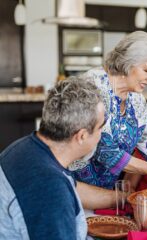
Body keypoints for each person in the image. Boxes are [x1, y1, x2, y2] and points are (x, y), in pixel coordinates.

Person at [69, 31, 147, 190]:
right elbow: (106, 151)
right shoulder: (93, 85)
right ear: (129, 63)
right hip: (74, 187)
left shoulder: (136, 99)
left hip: (107, 191)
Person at [0, 77, 105, 239]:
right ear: (82, 136)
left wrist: (121, 198)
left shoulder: (25, 147)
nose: (101, 134)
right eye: (100, 127)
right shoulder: (49, 190)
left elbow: (71, 189)